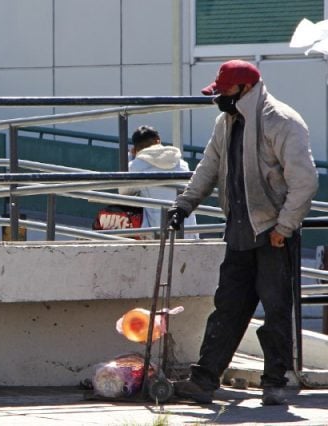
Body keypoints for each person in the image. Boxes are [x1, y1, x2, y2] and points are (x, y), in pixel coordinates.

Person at [167, 60, 318, 405]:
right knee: (228, 308)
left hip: (272, 234)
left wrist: (284, 226)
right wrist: (184, 204)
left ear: (245, 90)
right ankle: (204, 379)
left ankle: (275, 382)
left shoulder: (281, 121)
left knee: (276, 310)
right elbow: (209, 166)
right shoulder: (226, 122)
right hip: (239, 231)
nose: (218, 97)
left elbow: (305, 181)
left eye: (224, 91)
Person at [119, 125, 197, 238]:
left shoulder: (136, 166)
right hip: (188, 231)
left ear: (135, 149)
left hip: (158, 233)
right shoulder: (181, 163)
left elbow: (123, 192)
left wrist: (130, 158)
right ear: (158, 140)